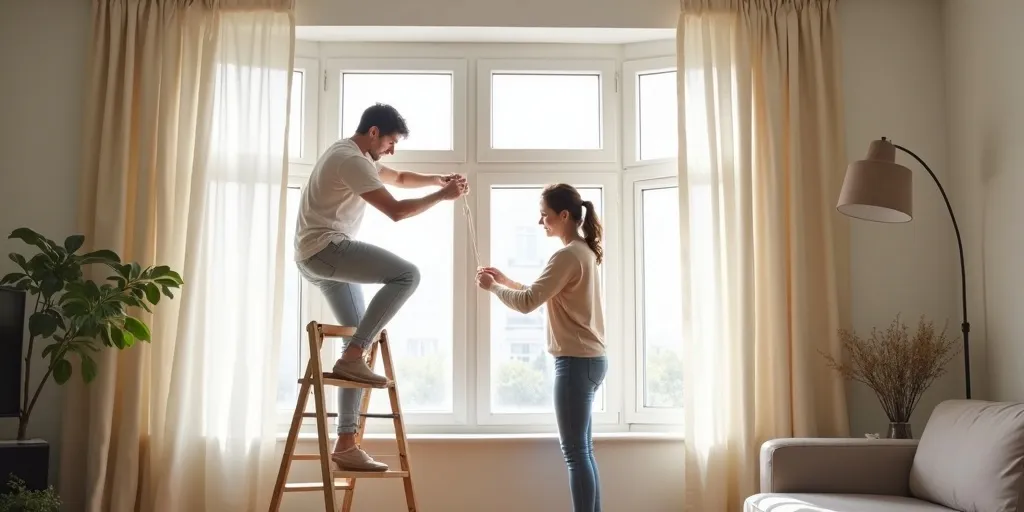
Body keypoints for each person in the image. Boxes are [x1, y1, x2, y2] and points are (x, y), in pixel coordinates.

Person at [294, 103, 468, 472]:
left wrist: (438, 180)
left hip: (316, 257)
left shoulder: (358, 156)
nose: (391, 150)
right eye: (390, 142)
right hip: (326, 249)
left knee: (356, 342)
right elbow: (396, 211)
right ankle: (355, 354)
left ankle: (345, 443)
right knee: (407, 275)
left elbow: (400, 178)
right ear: (373, 132)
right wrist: (443, 197)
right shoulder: (351, 160)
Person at [475, 183, 607, 512]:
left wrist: (492, 288)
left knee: (575, 453)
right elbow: (541, 293)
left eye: (544, 215)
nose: (540, 221)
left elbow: (528, 303)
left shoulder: (566, 255)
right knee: (584, 451)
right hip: (591, 359)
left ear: (564, 216)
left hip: (575, 362)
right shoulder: (583, 251)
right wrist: (505, 281)